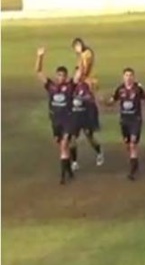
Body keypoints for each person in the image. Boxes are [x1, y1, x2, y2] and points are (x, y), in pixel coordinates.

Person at [35, 47, 80, 184]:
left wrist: (79, 55)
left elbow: (80, 72)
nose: (60, 78)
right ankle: (69, 171)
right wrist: (40, 56)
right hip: (55, 121)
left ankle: (62, 176)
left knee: (64, 144)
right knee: (61, 146)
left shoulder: (70, 86)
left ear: (66, 76)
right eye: (58, 75)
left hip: (68, 120)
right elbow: (38, 72)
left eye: (62, 75)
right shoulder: (51, 86)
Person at [106, 67, 145, 181]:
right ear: (123, 77)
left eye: (130, 75)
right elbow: (113, 100)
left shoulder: (138, 88)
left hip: (135, 120)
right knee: (128, 144)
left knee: (133, 143)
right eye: (126, 75)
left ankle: (132, 172)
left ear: (133, 77)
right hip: (124, 121)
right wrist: (105, 102)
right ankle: (135, 162)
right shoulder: (120, 89)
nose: (128, 77)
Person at [69, 61, 104, 171]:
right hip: (75, 115)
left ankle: (99, 152)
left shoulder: (87, 84)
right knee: (72, 138)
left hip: (86, 114)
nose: (78, 74)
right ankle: (74, 162)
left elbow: (92, 97)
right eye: (77, 71)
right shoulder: (71, 85)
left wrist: (82, 98)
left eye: (80, 71)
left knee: (89, 136)